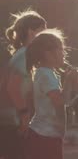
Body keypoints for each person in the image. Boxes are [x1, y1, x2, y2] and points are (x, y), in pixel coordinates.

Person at [0, 11, 47, 159]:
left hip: (11, 119)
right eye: (42, 31)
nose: (45, 37)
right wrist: (25, 115)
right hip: (12, 120)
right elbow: (13, 88)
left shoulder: (23, 53)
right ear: (30, 31)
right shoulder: (25, 54)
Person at [24, 29, 76, 159]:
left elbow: (62, 101)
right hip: (45, 136)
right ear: (48, 54)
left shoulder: (44, 73)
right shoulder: (46, 75)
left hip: (42, 133)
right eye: (60, 50)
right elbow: (59, 102)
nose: (64, 54)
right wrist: (69, 81)